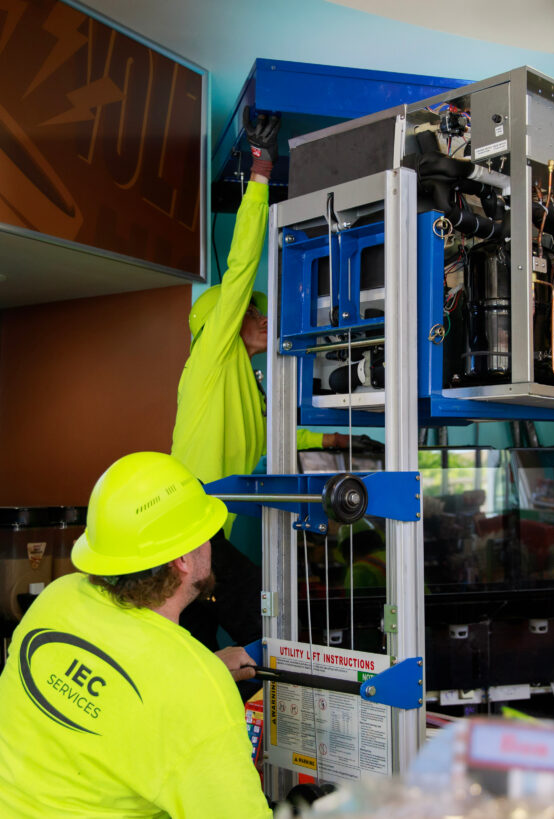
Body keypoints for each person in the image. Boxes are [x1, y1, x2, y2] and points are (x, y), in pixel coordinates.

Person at [170, 108, 355, 649]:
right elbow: (240, 267)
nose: (263, 318)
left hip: (201, 534)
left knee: (196, 640)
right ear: (224, 322)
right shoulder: (211, 355)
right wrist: (260, 170)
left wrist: (338, 439)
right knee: (264, 621)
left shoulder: (244, 385)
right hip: (189, 527)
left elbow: (273, 437)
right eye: (252, 312)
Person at [0, 452, 271, 818]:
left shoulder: (56, 598)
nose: (213, 543)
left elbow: (124, 685)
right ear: (182, 560)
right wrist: (202, 682)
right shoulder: (197, 694)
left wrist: (202, 670)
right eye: (207, 534)